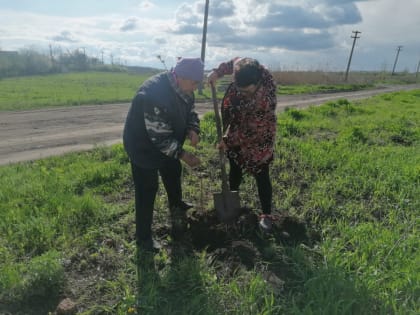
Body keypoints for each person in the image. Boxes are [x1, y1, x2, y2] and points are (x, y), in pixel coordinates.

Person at [123, 57, 204, 251]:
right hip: (143, 146)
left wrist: (193, 128)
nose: (195, 88)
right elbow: (159, 138)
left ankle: (176, 203)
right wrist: (184, 154)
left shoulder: (185, 88)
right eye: (194, 83)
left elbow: (190, 111)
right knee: (147, 190)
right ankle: (144, 239)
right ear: (180, 77)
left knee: (172, 171)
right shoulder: (153, 94)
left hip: (169, 141)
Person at [207, 57, 277, 232]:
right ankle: (232, 200)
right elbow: (233, 63)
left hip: (259, 135)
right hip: (239, 123)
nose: (242, 93)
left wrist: (227, 140)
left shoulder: (264, 100)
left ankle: (266, 215)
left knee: (261, 172)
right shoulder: (246, 66)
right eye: (239, 89)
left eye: (246, 91)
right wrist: (217, 72)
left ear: (257, 83)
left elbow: (250, 131)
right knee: (235, 165)